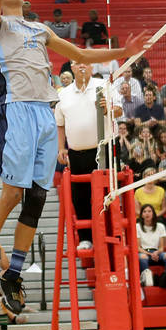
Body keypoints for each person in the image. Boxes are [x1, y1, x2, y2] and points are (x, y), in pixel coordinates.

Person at [0, 0, 147, 315]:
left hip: (46, 116)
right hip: (17, 113)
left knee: (36, 198)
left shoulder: (39, 29)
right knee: (12, 193)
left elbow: (80, 55)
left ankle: (11, 273)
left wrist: (121, 53)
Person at [55, 61, 108, 239]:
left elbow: (119, 111)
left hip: (102, 151)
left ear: (93, 67)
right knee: (80, 198)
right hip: (76, 154)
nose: (82, 66)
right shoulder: (64, 94)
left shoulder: (103, 85)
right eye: (77, 64)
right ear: (72, 68)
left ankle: (106, 235)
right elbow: (60, 125)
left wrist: (109, 109)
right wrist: (61, 148)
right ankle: (86, 239)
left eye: (86, 62)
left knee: (105, 196)